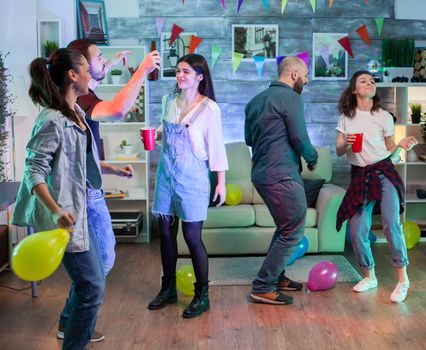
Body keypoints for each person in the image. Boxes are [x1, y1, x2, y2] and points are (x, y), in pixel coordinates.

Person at [52, 39, 160, 342]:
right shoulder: (81, 102)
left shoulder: (84, 96)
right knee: (98, 268)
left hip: (91, 192)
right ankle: (70, 323)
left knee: (99, 265)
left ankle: (68, 320)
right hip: (85, 198)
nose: (101, 64)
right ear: (75, 72)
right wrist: (140, 70)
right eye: (96, 60)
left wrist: (109, 169)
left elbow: (83, 153)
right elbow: (116, 110)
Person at [10, 48, 106, 350]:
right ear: (72, 75)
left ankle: (71, 331)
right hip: (63, 218)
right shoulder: (52, 119)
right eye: (87, 69)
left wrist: (113, 167)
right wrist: (55, 211)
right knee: (91, 286)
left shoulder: (76, 114)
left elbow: (77, 161)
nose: (91, 75)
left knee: (92, 282)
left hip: (78, 211)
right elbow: (33, 172)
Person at [148, 54, 228, 318]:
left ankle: (202, 295)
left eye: (186, 72)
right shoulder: (168, 100)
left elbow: (216, 147)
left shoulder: (209, 109)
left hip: (193, 178)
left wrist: (221, 183)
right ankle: (168, 287)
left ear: (200, 77)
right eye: (178, 71)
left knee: (192, 237)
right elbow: (164, 132)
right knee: (167, 234)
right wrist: (154, 135)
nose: (180, 76)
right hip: (166, 176)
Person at [335, 70, 417, 303]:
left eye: (372, 81)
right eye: (364, 81)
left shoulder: (383, 116)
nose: (369, 83)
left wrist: (400, 145)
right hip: (359, 176)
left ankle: (403, 279)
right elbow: (340, 150)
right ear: (354, 89)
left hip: (383, 172)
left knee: (392, 224)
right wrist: (347, 144)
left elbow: (389, 146)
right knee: (357, 229)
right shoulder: (345, 117)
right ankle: (369, 276)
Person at [244, 56, 318, 305]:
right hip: (282, 175)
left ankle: (277, 277)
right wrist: (312, 157)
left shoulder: (254, 102)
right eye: (306, 75)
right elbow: (300, 138)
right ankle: (264, 285)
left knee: (284, 228)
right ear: (294, 74)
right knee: (293, 231)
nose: (306, 81)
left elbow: (249, 140)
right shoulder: (291, 98)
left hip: (261, 175)